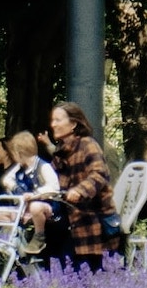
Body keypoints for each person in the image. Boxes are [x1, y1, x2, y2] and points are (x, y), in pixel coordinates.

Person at [40, 101, 116, 270]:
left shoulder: (87, 144)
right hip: (67, 214)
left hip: (89, 215)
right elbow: (51, 181)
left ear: (73, 124)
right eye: (52, 120)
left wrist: (79, 190)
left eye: (58, 120)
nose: (53, 125)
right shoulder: (60, 152)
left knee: (84, 272)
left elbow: (100, 174)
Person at [0, 131, 60, 251]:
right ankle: (16, 239)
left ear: (20, 153)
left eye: (14, 154)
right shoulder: (19, 168)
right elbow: (6, 180)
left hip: (46, 206)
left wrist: (34, 194)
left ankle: (39, 236)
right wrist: (16, 188)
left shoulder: (43, 166)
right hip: (25, 207)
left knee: (35, 207)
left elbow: (54, 187)